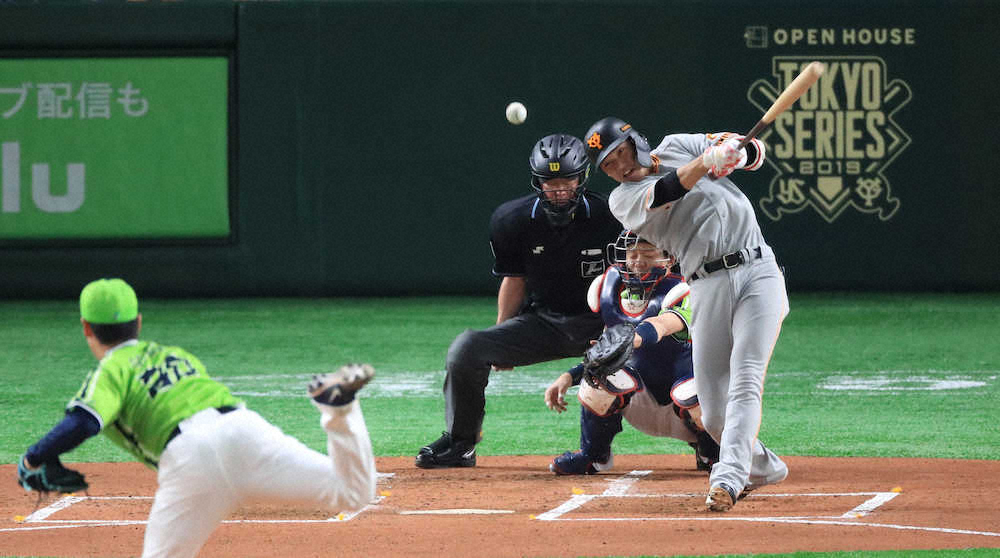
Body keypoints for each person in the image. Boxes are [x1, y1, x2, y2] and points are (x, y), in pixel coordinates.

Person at [17, 278, 377, 558]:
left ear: (85, 327)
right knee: (353, 492)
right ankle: (339, 408)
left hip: (190, 459)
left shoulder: (111, 370)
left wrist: (34, 456)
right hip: (242, 429)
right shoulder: (174, 355)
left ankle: (338, 407)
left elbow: (84, 422)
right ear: (138, 322)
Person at [583, 117, 789, 512]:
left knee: (745, 376)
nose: (619, 167)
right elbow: (669, 188)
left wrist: (737, 153)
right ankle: (763, 466)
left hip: (759, 270)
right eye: (607, 165)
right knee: (712, 412)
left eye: (620, 153)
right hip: (706, 284)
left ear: (635, 141)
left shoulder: (678, 143)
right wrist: (707, 161)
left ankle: (728, 477)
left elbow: (755, 153)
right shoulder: (622, 200)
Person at [415, 134, 622, 468]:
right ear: (536, 181)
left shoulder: (611, 216)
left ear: (582, 177)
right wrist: (504, 335)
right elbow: (514, 279)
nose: (558, 190)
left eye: (566, 181)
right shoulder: (511, 220)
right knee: (467, 348)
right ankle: (460, 443)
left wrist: (623, 329)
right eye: (549, 182)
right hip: (545, 323)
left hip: (603, 325)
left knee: (666, 349)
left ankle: (703, 441)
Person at [544, 230, 720, 475]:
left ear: (669, 259)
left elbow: (664, 324)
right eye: (632, 253)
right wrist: (569, 377)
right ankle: (594, 456)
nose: (638, 260)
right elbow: (606, 353)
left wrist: (632, 338)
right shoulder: (611, 292)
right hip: (641, 400)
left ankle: (712, 454)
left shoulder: (683, 290)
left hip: (685, 404)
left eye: (648, 253)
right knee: (599, 377)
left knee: (698, 392)